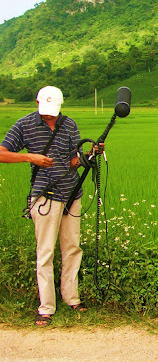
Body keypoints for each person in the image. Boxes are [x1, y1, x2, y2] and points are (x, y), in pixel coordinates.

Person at [0, 86, 89, 326]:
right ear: (37, 102)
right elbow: (2, 153)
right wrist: (31, 157)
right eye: (45, 110)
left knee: (72, 248)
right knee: (45, 252)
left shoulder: (69, 125)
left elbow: (72, 162)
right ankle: (46, 307)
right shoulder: (24, 124)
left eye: (53, 111)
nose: (48, 115)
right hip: (44, 196)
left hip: (72, 193)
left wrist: (86, 157)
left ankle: (72, 298)